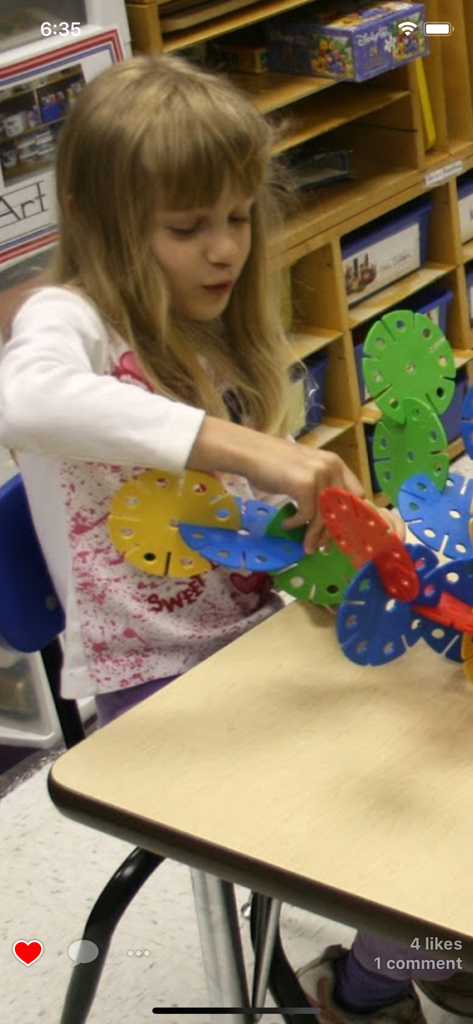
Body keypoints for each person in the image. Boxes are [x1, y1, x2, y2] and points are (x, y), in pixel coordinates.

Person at [0, 54, 467, 1023]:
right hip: (155, 695)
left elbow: (223, 523)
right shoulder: (68, 318)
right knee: (424, 861)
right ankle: (374, 982)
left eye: (236, 216)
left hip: (256, 646)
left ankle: (410, 958)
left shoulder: (194, 326)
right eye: (186, 226)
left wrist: (314, 532)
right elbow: (29, 399)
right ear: (96, 215)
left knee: (444, 759)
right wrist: (256, 453)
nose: (223, 250)